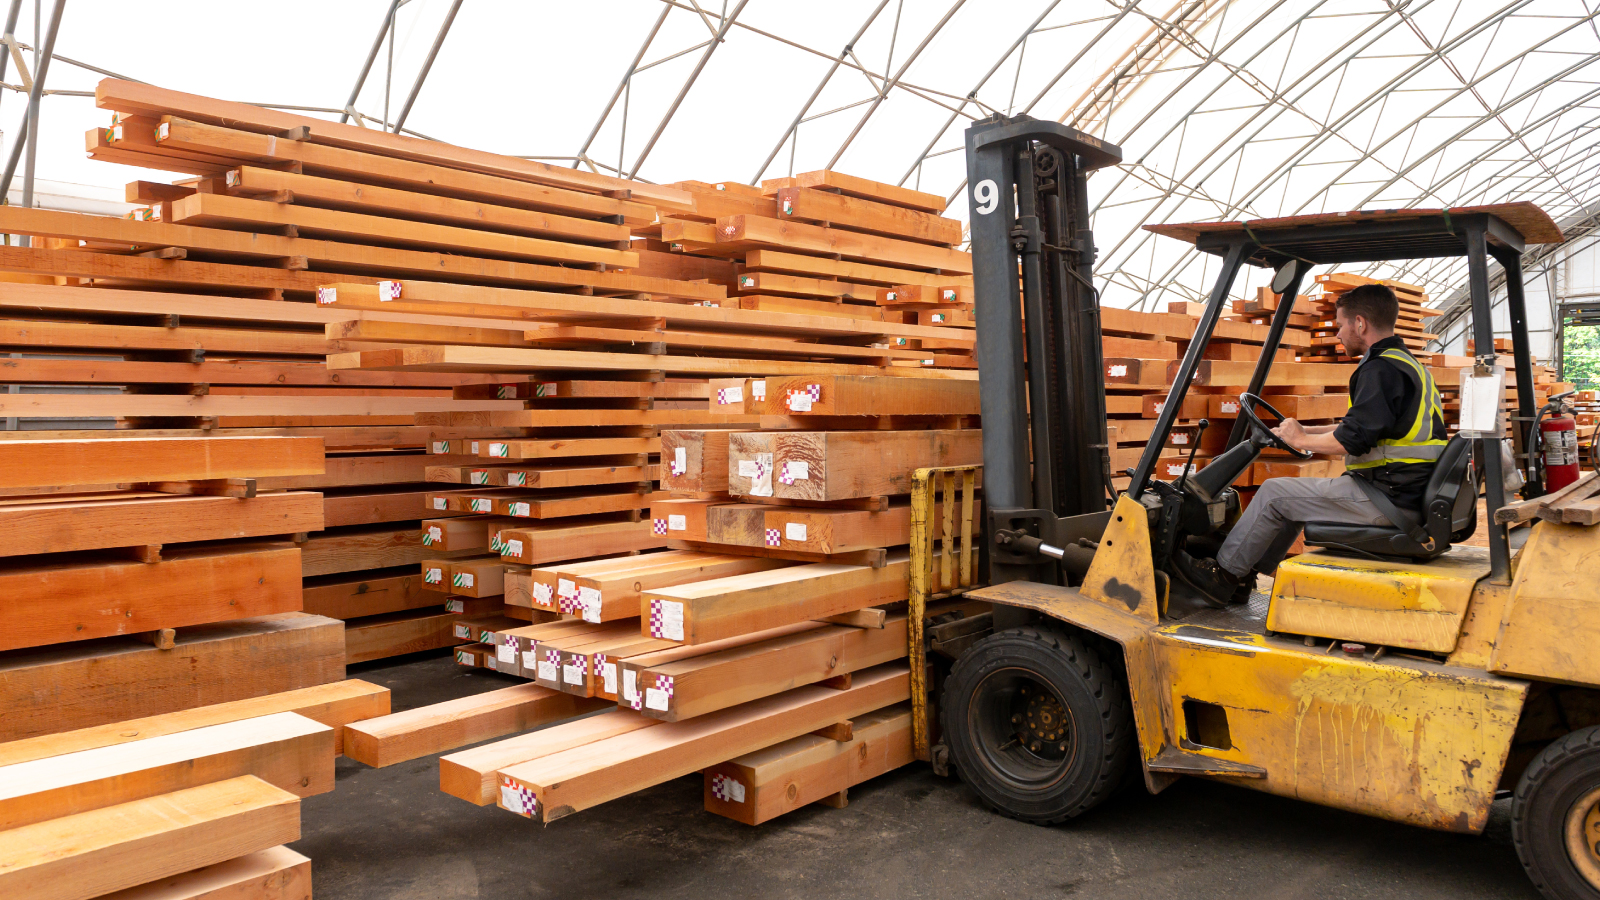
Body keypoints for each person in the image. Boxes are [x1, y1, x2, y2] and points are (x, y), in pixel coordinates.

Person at [1173, 282, 1448, 607]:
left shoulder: (1380, 369)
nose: (1337, 335)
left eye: (1340, 325)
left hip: (1387, 500)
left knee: (1274, 493)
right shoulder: (1407, 365)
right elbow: (1367, 427)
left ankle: (1223, 577)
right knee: (1293, 497)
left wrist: (1302, 439)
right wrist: (1306, 430)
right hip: (1402, 491)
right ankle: (1244, 576)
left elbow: (1354, 439)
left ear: (1360, 323)